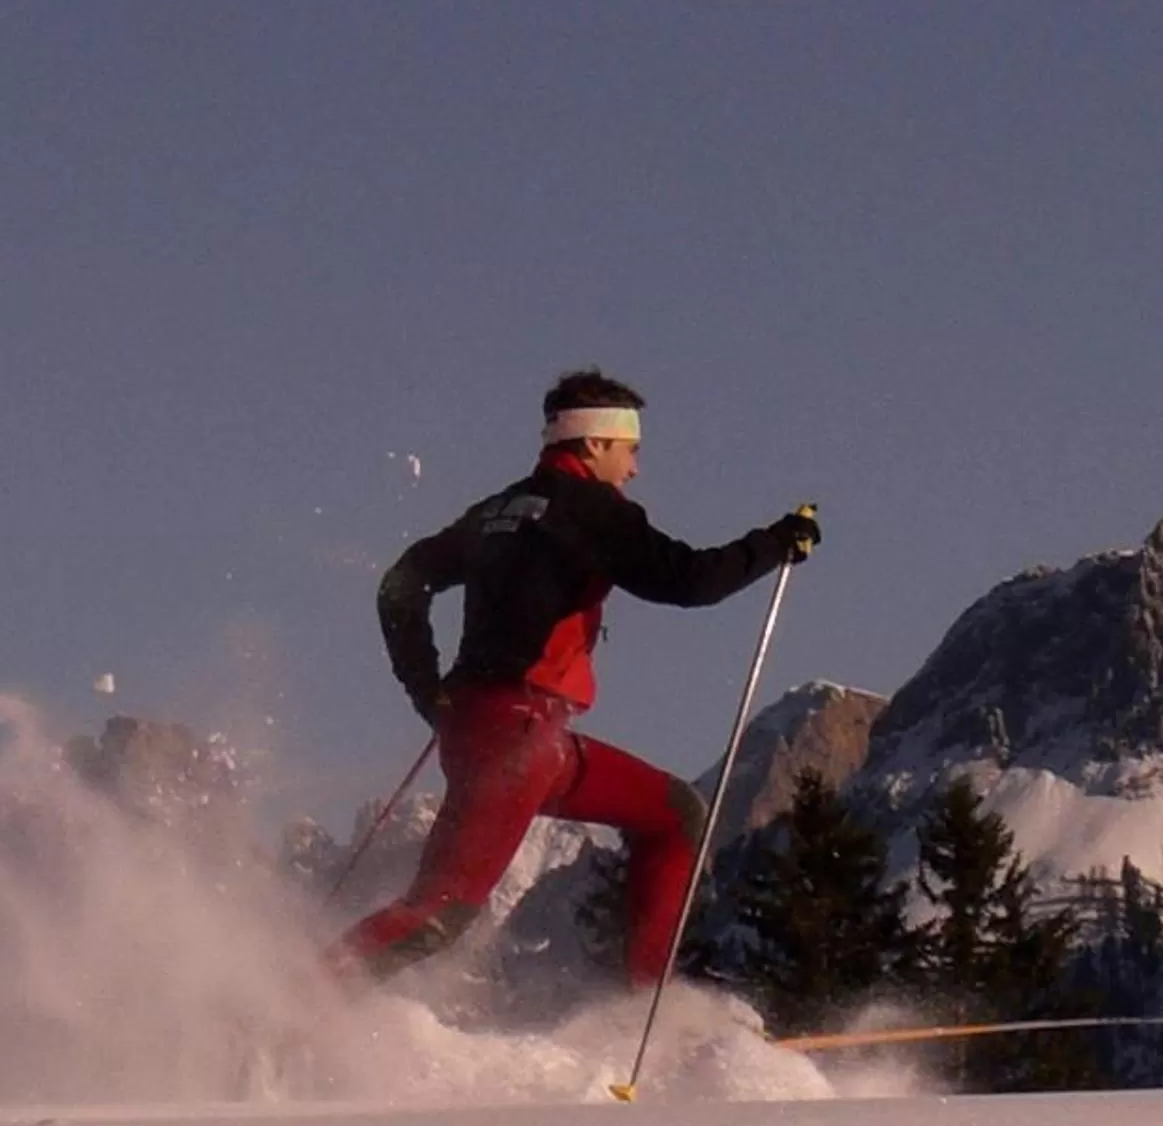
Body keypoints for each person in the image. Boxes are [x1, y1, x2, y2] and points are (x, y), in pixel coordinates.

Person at [336, 368, 819, 989]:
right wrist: (779, 542)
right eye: (631, 450)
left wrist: (430, 692)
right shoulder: (590, 510)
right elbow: (690, 580)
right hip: (520, 736)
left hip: (500, 734)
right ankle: (287, 1009)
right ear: (594, 443)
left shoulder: (500, 509)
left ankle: (637, 1011)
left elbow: (402, 584)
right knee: (440, 912)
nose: (636, 468)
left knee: (674, 813)